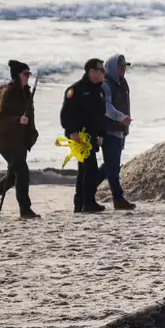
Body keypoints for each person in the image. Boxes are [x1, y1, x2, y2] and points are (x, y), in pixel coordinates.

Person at [0, 60, 39, 220]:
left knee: (14, 176)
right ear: (17, 75)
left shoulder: (25, 91)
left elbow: (29, 115)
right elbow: (1, 117)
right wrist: (18, 120)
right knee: (22, 172)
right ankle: (25, 210)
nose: (28, 77)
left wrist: (32, 132)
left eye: (29, 74)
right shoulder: (8, 92)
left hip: (20, 140)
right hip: (8, 141)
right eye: (25, 74)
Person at [60, 58, 113, 214]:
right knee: (90, 168)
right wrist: (72, 131)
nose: (104, 73)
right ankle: (88, 203)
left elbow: (100, 115)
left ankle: (80, 203)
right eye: (101, 70)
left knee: (85, 169)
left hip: (91, 135)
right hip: (78, 136)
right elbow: (65, 114)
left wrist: (102, 133)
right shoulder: (75, 90)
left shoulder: (99, 90)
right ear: (92, 72)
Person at [100, 53, 136, 211]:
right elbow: (107, 108)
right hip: (109, 130)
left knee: (109, 167)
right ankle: (118, 199)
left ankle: (85, 192)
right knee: (112, 168)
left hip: (121, 130)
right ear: (113, 68)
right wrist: (121, 118)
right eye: (120, 67)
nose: (123, 70)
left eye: (124, 67)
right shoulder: (106, 84)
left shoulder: (122, 83)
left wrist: (125, 126)